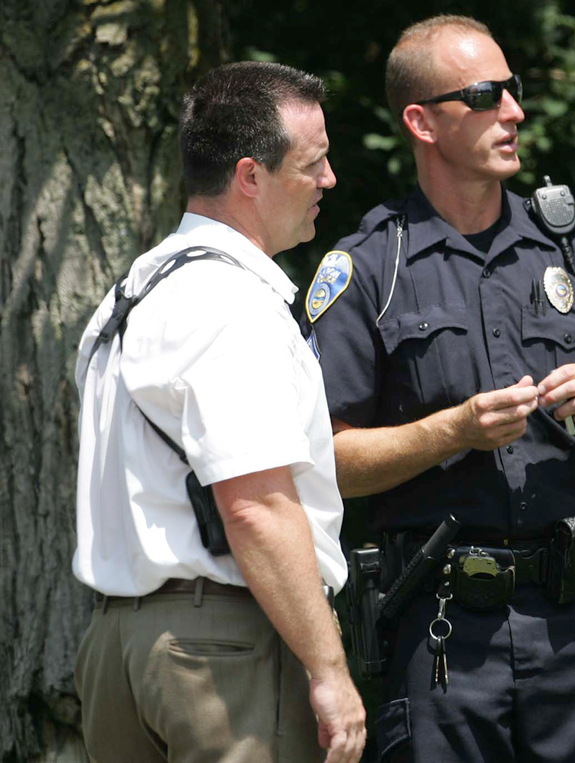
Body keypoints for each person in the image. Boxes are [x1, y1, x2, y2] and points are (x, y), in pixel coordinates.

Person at [302, 14, 575, 763]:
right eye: (485, 95)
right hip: (444, 633)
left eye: (515, 90)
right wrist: (455, 430)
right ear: (421, 121)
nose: (513, 111)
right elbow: (325, 461)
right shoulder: (367, 269)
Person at [73, 61, 365, 763]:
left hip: (117, 650)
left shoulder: (130, 295)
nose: (328, 180)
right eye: (313, 162)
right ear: (250, 176)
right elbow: (256, 507)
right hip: (221, 651)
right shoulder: (233, 305)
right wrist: (328, 670)